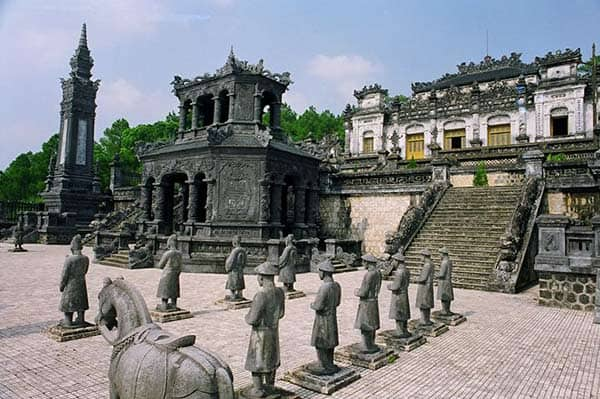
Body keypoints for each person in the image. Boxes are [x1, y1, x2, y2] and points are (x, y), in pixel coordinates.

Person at [244, 261, 285, 397]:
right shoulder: (280, 292)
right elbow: (281, 313)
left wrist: (247, 317)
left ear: (261, 277)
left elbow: (252, 319)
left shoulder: (260, 295)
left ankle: (258, 389)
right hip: (273, 332)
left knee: (256, 361)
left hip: (260, 334)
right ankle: (270, 385)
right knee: (271, 358)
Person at [308, 259, 341, 375]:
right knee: (331, 341)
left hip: (323, 319)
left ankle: (323, 365)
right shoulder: (336, 285)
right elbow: (337, 302)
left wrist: (312, 305)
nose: (318, 274)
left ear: (323, 272)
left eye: (319, 271)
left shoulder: (324, 287)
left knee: (320, 342)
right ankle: (330, 363)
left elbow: (318, 305)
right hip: (332, 317)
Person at [59, 235, 89, 327]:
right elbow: (85, 271)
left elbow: (65, 274)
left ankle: (68, 321)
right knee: (81, 301)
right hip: (81, 283)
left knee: (69, 302)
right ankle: (81, 319)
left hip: (71, 284)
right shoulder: (86, 258)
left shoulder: (69, 259)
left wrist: (62, 285)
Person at [354, 254, 382, 354]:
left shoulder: (369, 274)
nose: (363, 264)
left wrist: (357, 292)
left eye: (364, 261)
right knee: (372, 324)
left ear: (367, 262)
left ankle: (366, 345)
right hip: (374, 301)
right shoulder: (378, 272)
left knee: (365, 325)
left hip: (366, 302)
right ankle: (371, 343)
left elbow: (364, 292)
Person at [156, 234, 182, 311]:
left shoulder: (167, 253)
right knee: (174, 289)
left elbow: (160, 265)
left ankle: (164, 305)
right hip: (175, 273)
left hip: (167, 274)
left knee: (165, 291)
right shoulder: (179, 253)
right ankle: (174, 304)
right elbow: (180, 266)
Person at [387, 252, 411, 338]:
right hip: (404, 294)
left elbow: (396, 286)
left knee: (399, 313)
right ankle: (404, 330)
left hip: (398, 295)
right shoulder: (406, 270)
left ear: (397, 261)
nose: (392, 262)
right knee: (404, 313)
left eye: (393, 260)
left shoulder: (399, 272)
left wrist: (390, 286)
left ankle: (400, 331)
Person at [224, 235, 247, 301]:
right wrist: (242, 267)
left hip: (234, 270)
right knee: (240, 282)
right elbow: (245, 261)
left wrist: (228, 268)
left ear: (234, 242)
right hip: (240, 269)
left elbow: (230, 261)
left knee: (233, 283)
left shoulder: (235, 251)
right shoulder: (243, 250)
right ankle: (240, 294)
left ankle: (233, 295)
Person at [415, 249, 434, 326]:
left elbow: (423, 278)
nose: (421, 258)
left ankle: (424, 320)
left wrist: (417, 279)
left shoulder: (427, 265)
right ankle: (426, 319)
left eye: (421, 256)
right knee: (427, 302)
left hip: (424, 286)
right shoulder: (431, 263)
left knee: (423, 303)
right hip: (428, 285)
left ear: (424, 256)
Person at [437, 247, 455, 315]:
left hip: (444, 281)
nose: (439, 256)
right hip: (448, 280)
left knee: (444, 296)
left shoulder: (444, 262)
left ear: (443, 254)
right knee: (448, 296)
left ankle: (444, 310)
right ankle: (447, 309)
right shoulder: (449, 261)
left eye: (440, 254)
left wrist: (436, 275)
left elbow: (442, 274)